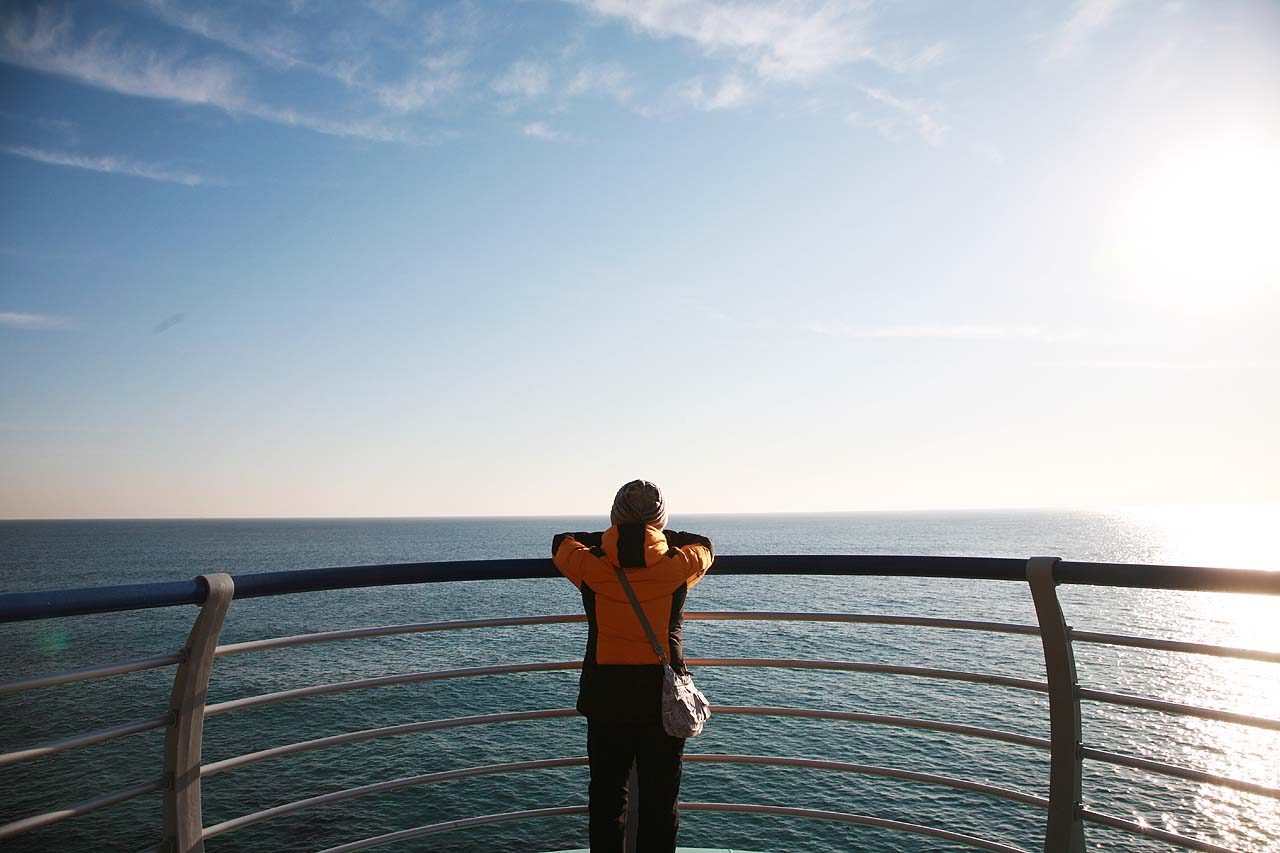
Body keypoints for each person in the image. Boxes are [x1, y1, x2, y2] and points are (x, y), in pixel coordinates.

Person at [552, 480, 714, 853]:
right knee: (660, 801)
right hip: (662, 694)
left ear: (614, 518)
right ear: (660, 523)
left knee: (608, 799)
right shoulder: (678, 564)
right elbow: (704, 544)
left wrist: (614, 537)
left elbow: (562, 540)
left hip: (606, 693)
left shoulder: (591, 564)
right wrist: (657, 535)